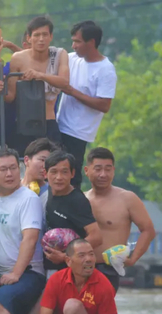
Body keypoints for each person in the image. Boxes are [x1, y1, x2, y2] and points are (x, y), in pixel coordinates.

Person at [0, 148, 46, 314]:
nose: (10, 174)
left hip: (28, 273)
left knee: (4, 296)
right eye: (3, 169)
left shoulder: (28, 199)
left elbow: (30, 239)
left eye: (14, 168)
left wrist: (16, 273)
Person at [21, 239, 119, 314]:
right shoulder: (56, 280)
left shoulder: (104, 285)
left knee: (72, 306)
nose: (88, 259)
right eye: (82, 255)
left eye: (91, 254)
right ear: (68, 261)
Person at [84, 147, 156, 291]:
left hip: (108, 269)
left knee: (98, 311)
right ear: (87, 170)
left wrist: (133, 258)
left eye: (108, 169)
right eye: (98, 169)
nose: (103, 174)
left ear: (114, 170)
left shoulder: (127, 198)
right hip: (81, 267)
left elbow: (148, 230)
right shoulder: (81, 199)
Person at [57, 21, 117, 189]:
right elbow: (43, 60)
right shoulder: (72, 59)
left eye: (77, 41)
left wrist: (72, 91)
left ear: (91, 42)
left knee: (70, 177)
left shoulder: (106, 69)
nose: (73, 46)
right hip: (58, 125)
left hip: (78, 132)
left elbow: (105, 105)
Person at [4, 16, 69, 156]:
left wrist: (40, 75)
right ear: (29, 38)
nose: (41, 39)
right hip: (24, 124)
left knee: (53, 164)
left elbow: (64, 82)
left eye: (45, 35)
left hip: (49, 123)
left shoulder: (59, 54)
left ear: (51, 36)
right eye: (37, 35)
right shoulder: (18, 58)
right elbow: (10, 97)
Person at [43, 150, 102, 273]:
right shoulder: (46, 191)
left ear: (72, 173)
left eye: (64, 172)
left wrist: (65, 256)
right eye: (54, 171)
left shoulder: (77, 201)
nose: (59, 177)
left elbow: (96, 237)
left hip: (72, 271)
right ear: (45, 173)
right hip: (46, 267)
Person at [22, 138, 59, 210]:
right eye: (42, 160)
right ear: (26, 160)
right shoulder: (13, 188)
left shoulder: (53, 193)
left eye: (49, 162)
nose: (45, 166)